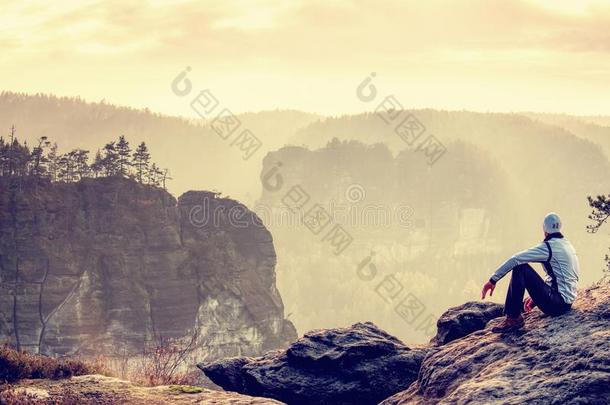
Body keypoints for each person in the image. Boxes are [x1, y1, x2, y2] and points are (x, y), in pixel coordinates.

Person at [481, 212, 580, 333]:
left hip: (557, 305)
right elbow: (563, 276)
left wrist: (492, 280)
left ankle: (513, 318)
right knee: (522, 268)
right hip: (565, 302)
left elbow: (516, 259)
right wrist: (537, 298)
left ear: (544, 229)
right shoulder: (567, 244)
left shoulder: (549, 247)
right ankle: (513, 317)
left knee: (520, 268)